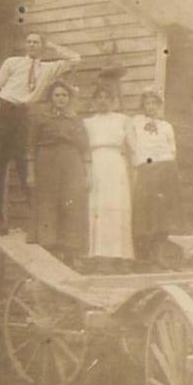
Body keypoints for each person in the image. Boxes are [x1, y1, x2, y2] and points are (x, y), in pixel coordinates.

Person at [0, 32, 81, 235]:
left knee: (25, 167)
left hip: (22, 117)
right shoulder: (13, 62)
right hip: (2, 112)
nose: (32, 45)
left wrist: (53, 46)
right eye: (29, 42)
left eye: (36, 42)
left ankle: (37, 222)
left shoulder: (49, 68)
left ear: (42, 46)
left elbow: (76, 59)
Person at [26, 80, 91, 268]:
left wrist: (86, 173)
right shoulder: (41, 118)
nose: (60, 99)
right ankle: (50, 248)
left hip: (72, 164)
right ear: (50, 98)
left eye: (64, 95)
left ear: (69, 98)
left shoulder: (76, 120)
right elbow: (30, 146)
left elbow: (84, 147)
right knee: (48, 203)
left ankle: (71, 250)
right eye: (57, 95)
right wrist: (31, 172)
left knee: (71, 204)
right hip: (46, 163)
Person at [126, 90, 184, 264]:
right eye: (147, 103)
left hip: (165, 168)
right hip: (147, 168)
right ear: (143, 106)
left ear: (159, 106)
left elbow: (172, 148)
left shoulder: (167, 126)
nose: (150, 107)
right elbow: (131, 142)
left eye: (154, 103)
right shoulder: (136, 122)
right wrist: (140, 160)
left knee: (162, 210)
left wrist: (166, 162)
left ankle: (160, 255)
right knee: (145, 209)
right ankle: (145, 255)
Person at [83, 84, 134, 271]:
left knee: (118, 208)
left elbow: (134, 146)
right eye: (99, 97)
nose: (103, 100)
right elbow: (84, 150)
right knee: (99, 209)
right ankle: (99, 257)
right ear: (94, 101)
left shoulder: (123, 120)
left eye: (107, 97)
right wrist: (87, 170)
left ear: (114, 101)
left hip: (116, 165)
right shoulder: (88, 123)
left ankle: (121, 257)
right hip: (96, 164)